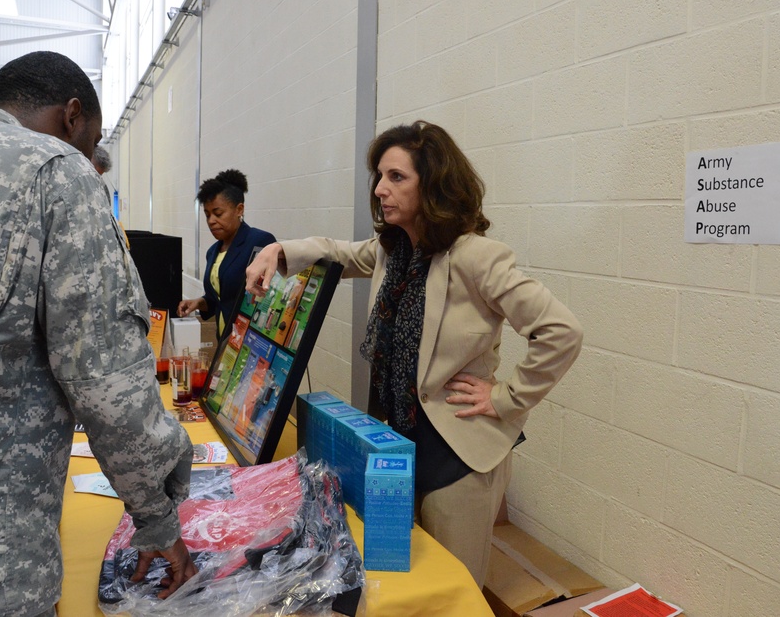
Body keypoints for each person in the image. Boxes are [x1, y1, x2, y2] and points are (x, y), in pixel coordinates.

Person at [0, 51, 196, 615]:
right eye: (92, 143)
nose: (91, 157)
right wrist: (158, 519)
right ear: (74, 118)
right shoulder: (55, 171)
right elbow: (107, 384)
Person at [245, 120, 583, 586]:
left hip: (457, 454)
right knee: (409, 581)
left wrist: (505, 399)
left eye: (397, 177)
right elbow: (335, 252)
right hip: (400, 444)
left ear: (436, 186)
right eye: (380, 176)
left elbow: (561, 331)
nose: (381, 189)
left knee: (452, 590)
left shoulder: (477, 257)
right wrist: (276, 250)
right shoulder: (394, 250)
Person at [177, 169, 276, 336]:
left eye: (218, 213)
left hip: (251, 340)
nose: (211, 221)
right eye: (207, 215)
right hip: (225, 340)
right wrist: (199, 303)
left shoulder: (260, 242)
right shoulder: (213, 252)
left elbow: (267, 298)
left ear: (239, 210)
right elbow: (220, 299)